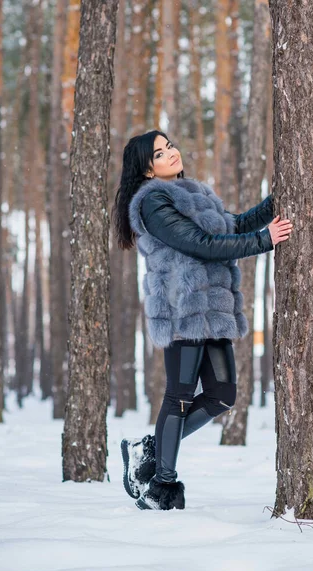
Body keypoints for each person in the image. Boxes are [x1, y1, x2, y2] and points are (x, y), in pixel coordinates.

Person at [112, 129, 292, 511]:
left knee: (222, 396)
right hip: (182, 309)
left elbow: (230, 227)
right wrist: (266, 240)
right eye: (160, 154)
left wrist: (275, 202)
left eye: (170, 146)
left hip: (213, 310)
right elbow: (200, 245)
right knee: (178, 399)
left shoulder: (194, 193)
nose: (171, 153)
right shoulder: (151, 202)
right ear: (147, 170)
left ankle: (148, 449)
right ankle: (161, 485)